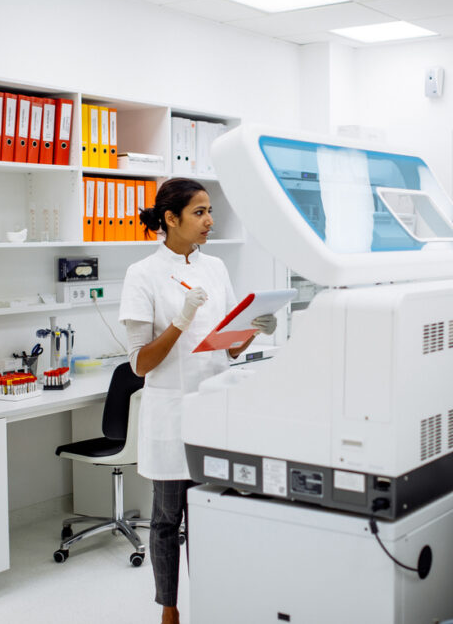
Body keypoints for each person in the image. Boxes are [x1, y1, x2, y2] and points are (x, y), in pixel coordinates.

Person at [118, 177, 276, 624]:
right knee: (168, 520)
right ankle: (169, 610)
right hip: (171, 415)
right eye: (200, 212)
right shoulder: (142, 275)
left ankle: (213, 601)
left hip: (215, 410)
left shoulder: (216, 268)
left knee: (215, 513)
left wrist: (251, 329)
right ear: (171, 218)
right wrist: (180, 320)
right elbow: (140, 364)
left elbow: (226, 348)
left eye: (210, 211)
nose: (210, 220)